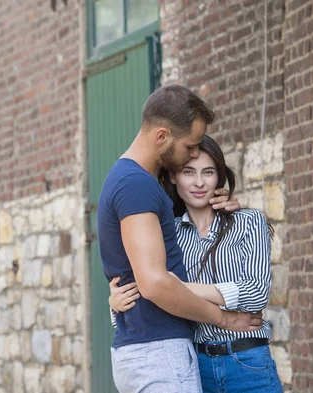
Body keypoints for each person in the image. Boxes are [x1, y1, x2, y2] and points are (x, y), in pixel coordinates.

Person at [97, 85, 263, 393]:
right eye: (190, 146)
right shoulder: (135, 186)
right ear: (162, 137)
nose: (194, 152)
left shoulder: (131, 182)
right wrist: (223, 319)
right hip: (158, 356)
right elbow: (154, 283)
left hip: (148, 352)